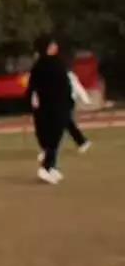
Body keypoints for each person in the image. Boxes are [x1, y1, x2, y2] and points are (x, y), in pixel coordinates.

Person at [28, 35, 72, 184]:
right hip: (49, 107)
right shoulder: (42, 66)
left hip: (58, 105)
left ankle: (51, 166)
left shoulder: (56, 62)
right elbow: (33, 87)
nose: (55, 47)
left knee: (55, 139)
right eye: (52, 45)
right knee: (52, 138)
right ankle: (46, 168)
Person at [65, 65, 92, 153]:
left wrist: (86, 99)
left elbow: (77, 87)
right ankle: (82, 142)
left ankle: (82, 142)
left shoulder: (68, 75)